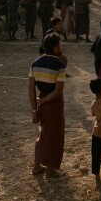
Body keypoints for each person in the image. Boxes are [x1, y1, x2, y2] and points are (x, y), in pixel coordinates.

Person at [28, 33, 66, 178]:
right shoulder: (60, 65)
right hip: (53, 104)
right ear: (55, 47)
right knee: (54, 136)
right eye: (60, 45)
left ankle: (37, 166)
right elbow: (58, 91)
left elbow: (31, 88)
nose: (61, 47)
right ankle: (50, 169)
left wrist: (34, 108)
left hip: (41, 99)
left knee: (42, 133)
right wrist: (44, 101)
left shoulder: (35, 63)